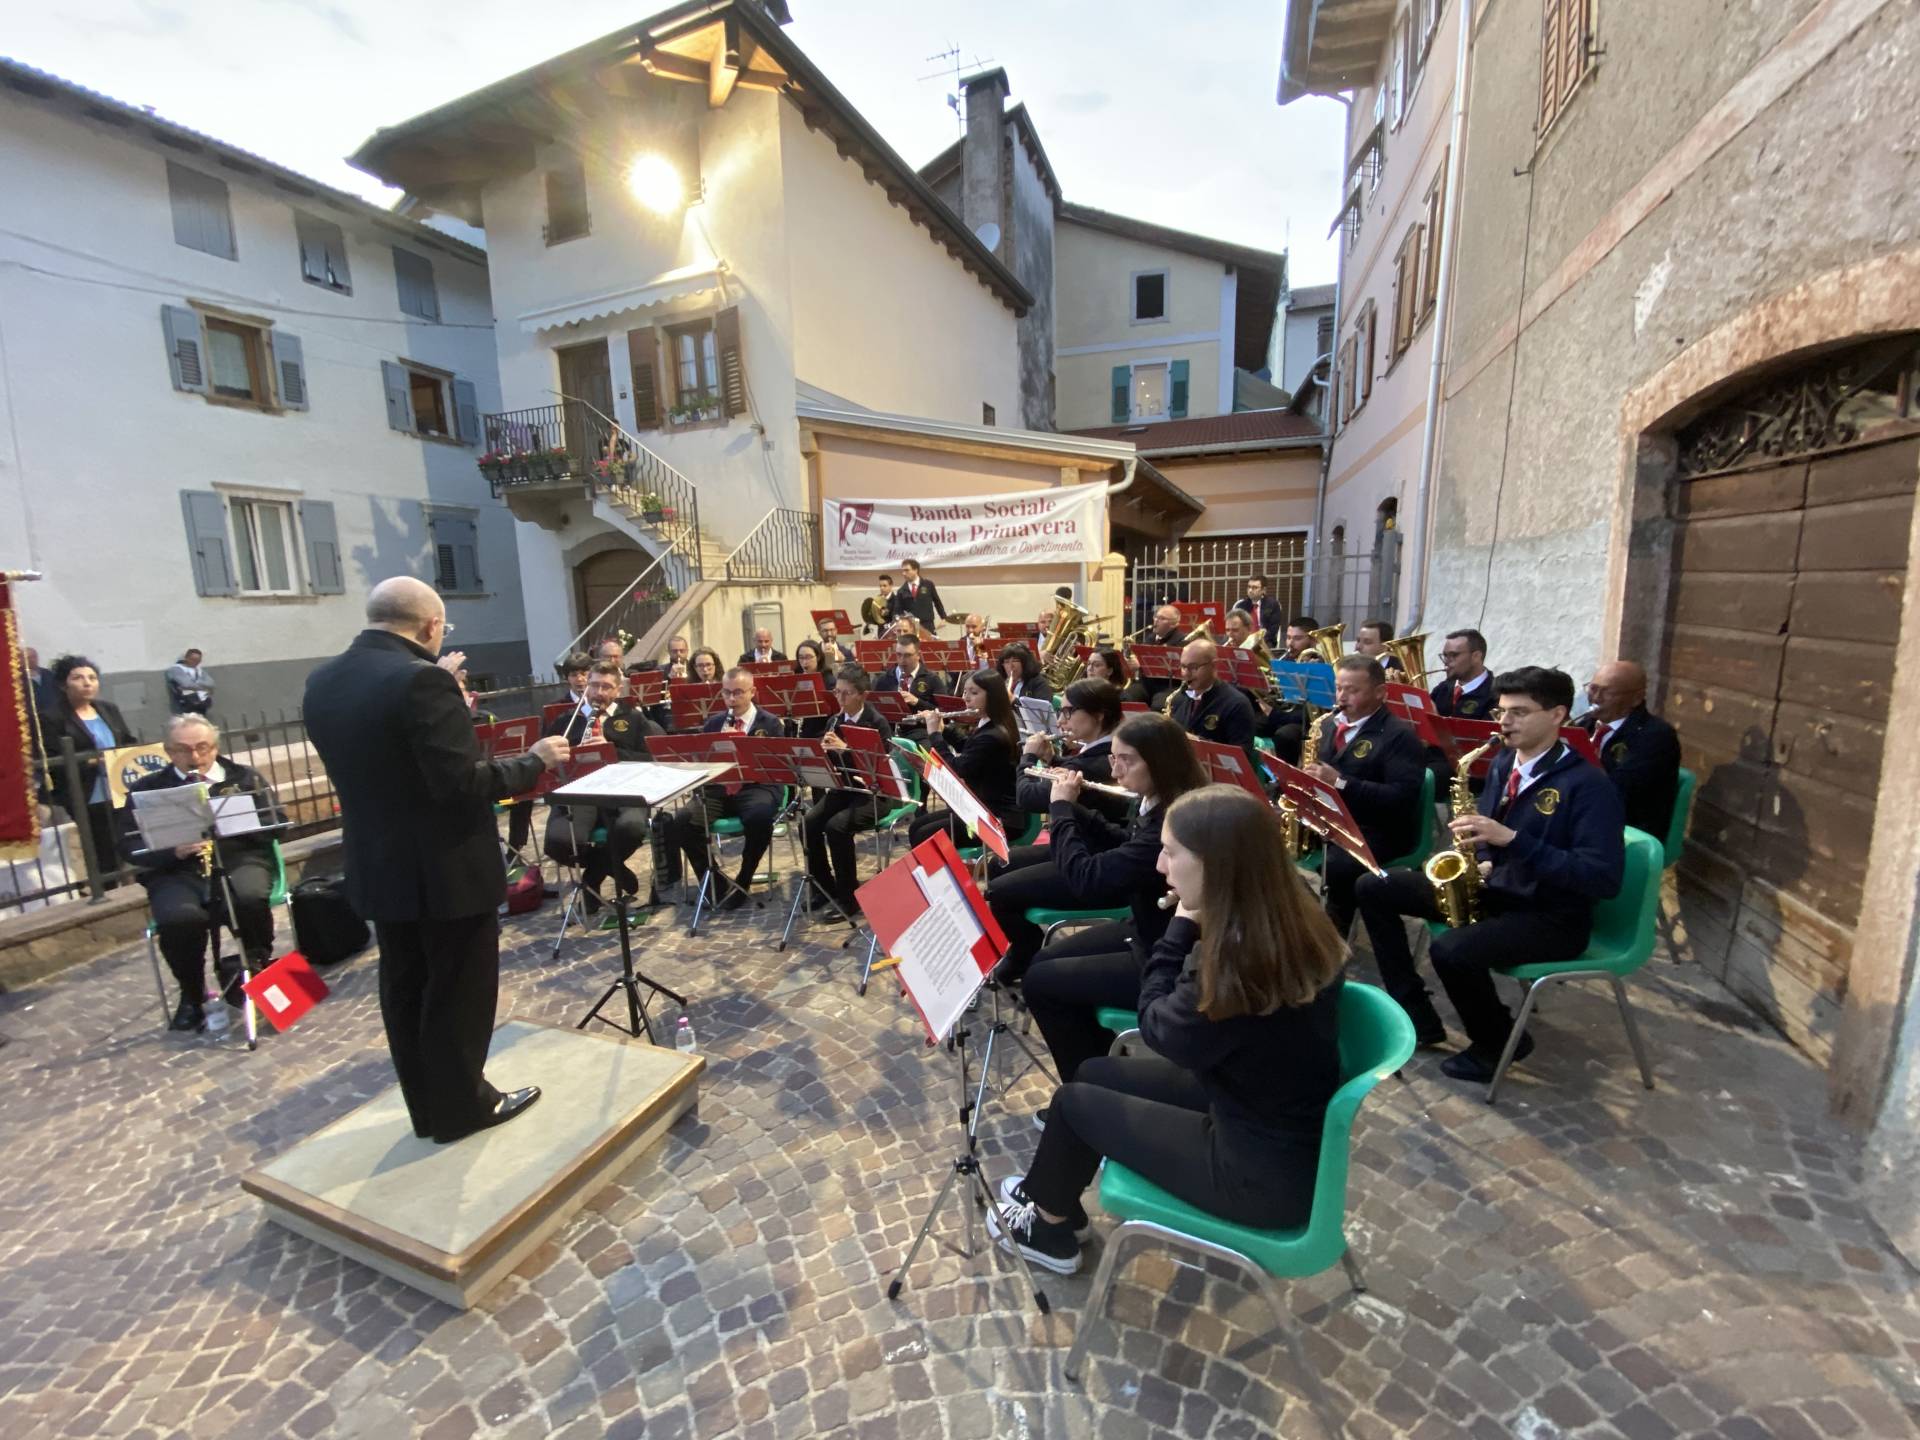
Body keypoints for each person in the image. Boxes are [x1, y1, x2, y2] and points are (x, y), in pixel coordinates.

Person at [989, 784, 1348, 1274]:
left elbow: (1157, 1028)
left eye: (1172, 852)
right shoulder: (1289, 908)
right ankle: (1057, 1202)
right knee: (1095, 1072)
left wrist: (1180, 928)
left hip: (1255, 1171)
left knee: (1073, 1105)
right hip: (1263, 1110)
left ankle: (1047, 1229)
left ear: (1217, 864)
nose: (1160, 866)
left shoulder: (1239, 962)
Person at [303, 577, 570, 1144]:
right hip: (445, 869)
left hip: (378, 862)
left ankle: (426, 1107)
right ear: (431, 627)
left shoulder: (323, 680)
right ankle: (464, 1107)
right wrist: (535, 759)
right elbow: (461, 784)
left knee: (404, 984)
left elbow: (390, 758)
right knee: (458, 989)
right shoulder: (421, 681)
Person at [1351, 666, 1625, 1080]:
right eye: (1501, 712)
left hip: (1550, 915)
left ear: (1557, 715)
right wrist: (1482, 855)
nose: (1505, 723)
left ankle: (1496, 1043)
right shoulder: (1501, 762)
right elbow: (1488, 832)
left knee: (1453, 951)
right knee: (1374, 885)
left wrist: (1512, 841)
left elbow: (1602, 877)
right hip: (1498, 890)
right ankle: (1417, 1014)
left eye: (1519, 712)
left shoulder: (1589, 786)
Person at [990, 709, 1205, 982]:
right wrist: (1074, 807)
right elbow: (1125, 842)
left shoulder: (1170, 819)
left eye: (1126, 760)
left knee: (1041, 980)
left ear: (1160, 762)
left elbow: (1086, 879)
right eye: (1113, 758)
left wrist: (1061, 809)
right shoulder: (1153, 800)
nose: (1115, 770)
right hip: (1141, 925)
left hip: (1159, 950)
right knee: (1042, 961)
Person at [119, 715, 283, 1031]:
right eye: (182, 750)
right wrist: (172, 850)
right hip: (177, 870)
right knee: (178, 918)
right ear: (168, 751)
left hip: (238, 860)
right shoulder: (148, 790)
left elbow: (277, 823)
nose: (195, 757)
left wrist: (238, 826)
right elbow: (128, 844)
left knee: (248, 898)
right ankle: (192, 993)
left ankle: (257, 968)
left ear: (215, 747)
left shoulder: (243, 778)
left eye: (202, 748)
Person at [1305, 657, 1426, 935]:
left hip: (1379, 828)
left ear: (1380, 693)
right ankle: (1299, 921)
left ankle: (1333, 939)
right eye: (1338, 688)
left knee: (1338, 866)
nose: (1342, 697)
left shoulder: (1399, 736)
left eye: (1353, 690)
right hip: (1334, 818)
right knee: (1262, 833)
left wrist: (1342, 783)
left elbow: (1402, 798)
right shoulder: (1328, 725)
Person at [544, 661, 664, 911]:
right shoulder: (566, 721)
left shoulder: (633, 718)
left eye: (607, 687)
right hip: (582, 791)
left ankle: (591, 879)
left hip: (624, 790)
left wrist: (612, 751)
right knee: (558, 842)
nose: (599, 692)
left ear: (618, 690)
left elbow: (651, 760)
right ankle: (614, 867)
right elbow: (548, 764)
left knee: (631, 828)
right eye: (595, 685)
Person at [670, 667, 784, 911]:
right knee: (681, 822)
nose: (732, 699)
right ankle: (714, 880)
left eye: (739, 693)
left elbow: (775, 766)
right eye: (727, 693)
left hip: (756, 786)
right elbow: (703, 764)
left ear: (752, 692)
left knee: (760, 818)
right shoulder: (714, 723)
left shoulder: (770, 723)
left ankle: (744, 878)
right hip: (719, 789)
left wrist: (741, 747)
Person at [803, 665, 895, 917]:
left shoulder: (877, 722)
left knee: (836, 826)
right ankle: (824, 887)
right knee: (808, 823)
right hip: (844, 789)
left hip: (874, 794)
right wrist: (821, 755)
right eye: (837, 692)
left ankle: (849, 897)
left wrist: (846, 749)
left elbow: (879, 769)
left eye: (847, 693)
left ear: (863, 695)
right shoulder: (836, 720)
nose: (840, 699)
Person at [38, 654, 137, 887]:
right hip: (88, 793)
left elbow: (127, 740)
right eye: (78, 678)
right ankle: (107, 892)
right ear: (63, 685)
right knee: (103, 851)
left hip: (120, 788)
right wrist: (93, 762)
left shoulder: (108, 709)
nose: (87, 683)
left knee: (129, 844)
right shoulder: (51, 718)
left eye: (92, 677)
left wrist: (125, 755)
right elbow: (53, 759)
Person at [908, 669, 1020, 848]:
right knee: (917, 826)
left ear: (992, 696)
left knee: (924, 835)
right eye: (965, 691)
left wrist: (935, 735)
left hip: (998, 818)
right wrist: (944, 730)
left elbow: (957, 768)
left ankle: (948, 875)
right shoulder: (989, 723)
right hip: (982, 807)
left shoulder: (994, 734)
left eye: (974, 692)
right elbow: (968, 747)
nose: (966, 697)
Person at [1580, 660, 1681, 838]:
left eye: (1607, 692)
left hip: (1627, 830)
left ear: (1636, 698)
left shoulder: (1656, 736)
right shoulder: (1585, 724)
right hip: (1586, 815)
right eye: (1593, 688)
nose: (1596, 698)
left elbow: (1620, 791)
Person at [1016, 677, 1123, 814]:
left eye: (1068, 712)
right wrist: (1052, 759)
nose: (1059, 722)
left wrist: (1028, 757)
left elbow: (1027, 798)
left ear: (1098, 715)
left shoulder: (1084, 767)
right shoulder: (1112, 750)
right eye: (1060, 712)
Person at [1166, 640, 1256, 769]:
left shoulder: (1237, 704)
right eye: (1183, 667)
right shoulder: (1178, 698)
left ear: (1214, 666)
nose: (1185, 674)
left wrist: (1197, 743)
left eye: (1193, 667)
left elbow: (1241, 759)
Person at [873, 634, 947, 713]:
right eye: (899, 654)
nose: (902, 660)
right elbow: (874, 709)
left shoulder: (932, 679)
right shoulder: (884, 679)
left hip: (921, 725)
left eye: (907, 655)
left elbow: (945, 712)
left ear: (918, 655)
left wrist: (917, 702)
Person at [1431, 628, 1493, 718]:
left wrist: (1435, 720)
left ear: (1476, 656)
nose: (1446, 662)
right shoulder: (1441, 689)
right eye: (1445, 655)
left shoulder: (1495, 694)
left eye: (1454, 655)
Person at [1135, 605, 1187, 711]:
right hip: (1147, 684)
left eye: (1162, 618)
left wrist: (1140, 664)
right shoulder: (1150, 638)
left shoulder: (1182, 640)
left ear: (1174, 624)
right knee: (1126, 697)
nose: (1156, 621)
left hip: (1169, 686)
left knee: (1158, 706)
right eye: (1156, 617)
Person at [888, 557, 950, 632]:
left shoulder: (928, 585)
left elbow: (937, 602)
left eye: (907, 570)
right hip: (910, 627)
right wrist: (897, 622)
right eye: (903, 571)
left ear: (915, 570)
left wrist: (944, 618)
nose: (903, 573)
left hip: (927, 625)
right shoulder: (901, 591)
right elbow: (897, 611)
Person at [789, 641, 833, 739]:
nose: (804, 662)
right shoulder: (795, 678)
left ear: (818, 657)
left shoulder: (828, 680)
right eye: (801, 658)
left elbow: (832, 711)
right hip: (801, 732)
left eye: (808, 657)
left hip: (821, 732)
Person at [1230, 576, 1283, 646]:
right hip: (1244, 642)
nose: (1250, 590)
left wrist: (1257, 641)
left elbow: (1273, 629)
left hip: (1264, 642)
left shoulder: (1272, 604)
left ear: (1263, 590)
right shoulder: (1240, 606)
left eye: (1254, 588)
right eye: (1249, 587)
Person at [165, 648, 215, 715]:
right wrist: (204, 687)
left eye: (198, 660)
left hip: (202, 703)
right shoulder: (176, 669)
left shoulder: (199, 670)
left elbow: (211, 683)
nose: (195, 662)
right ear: (186, 658)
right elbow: (186, 684)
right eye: (193, 659)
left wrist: (196, 684)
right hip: (186, 704)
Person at [21, 645, 54, 715]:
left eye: (34, 656)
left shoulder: (48, 674)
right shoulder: (19, 679)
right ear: (21, 659)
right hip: (33, 718)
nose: (32, 660)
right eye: (28, 658)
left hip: (54, 716)